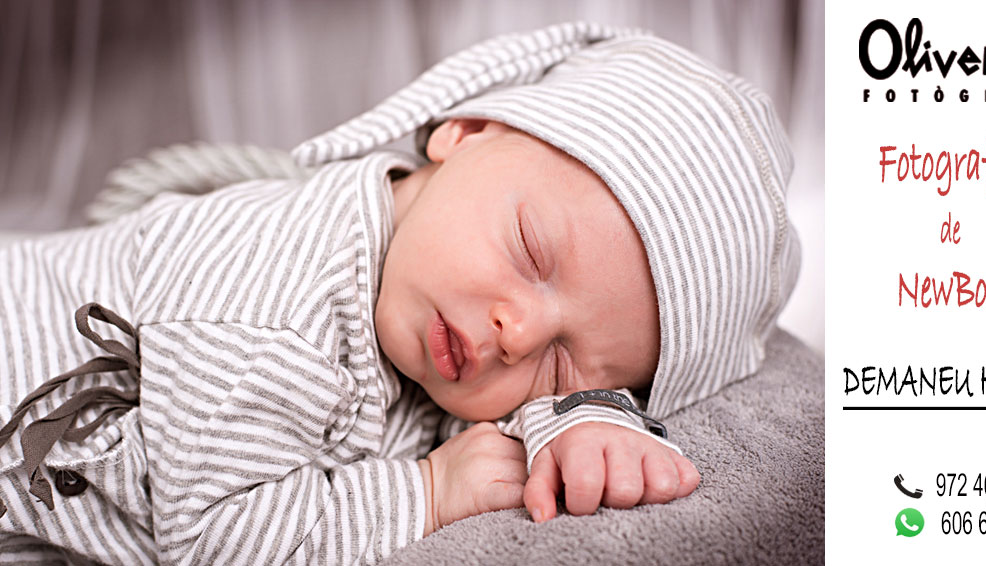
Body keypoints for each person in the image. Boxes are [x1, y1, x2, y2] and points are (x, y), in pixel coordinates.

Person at [0, 21, 799, 565]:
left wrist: (583, 414)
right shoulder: (278, 296)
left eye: (563, 365)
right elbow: (209, 536)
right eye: (530, 250)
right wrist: (423, 492)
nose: (517, 333)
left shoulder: (443, 293)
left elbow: (540, 380)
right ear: (466, 130)